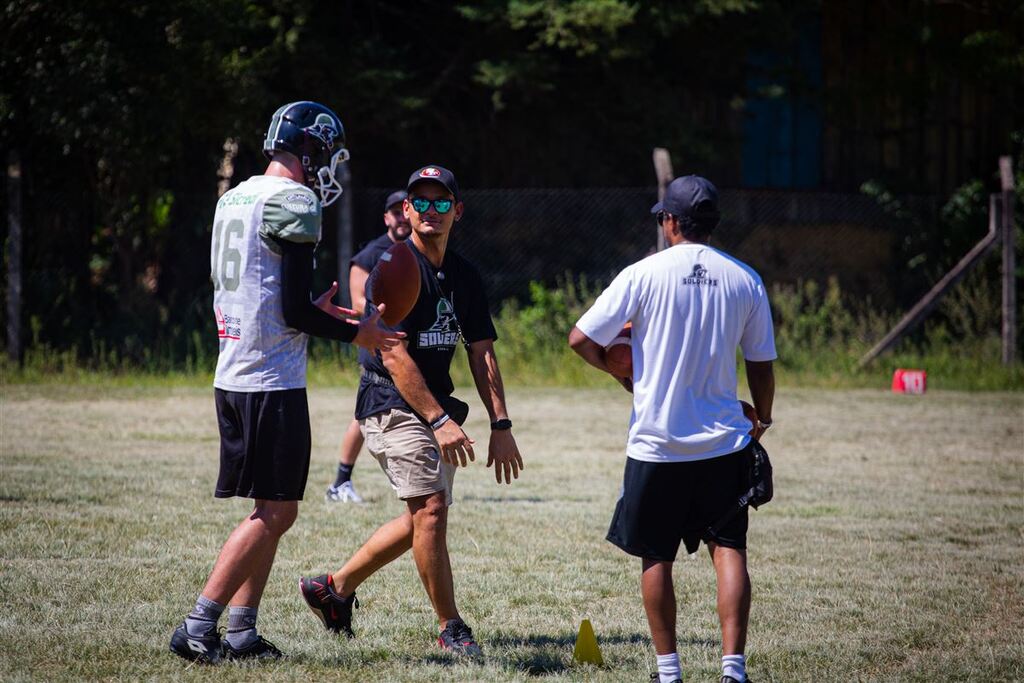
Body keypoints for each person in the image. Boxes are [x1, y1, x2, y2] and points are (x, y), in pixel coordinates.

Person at [169, 101, 403, 664]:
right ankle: (199, 625)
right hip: (269, 375)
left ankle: (243, 632)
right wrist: (360, 334)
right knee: (276, 512)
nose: (329, 169)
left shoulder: (236, 195)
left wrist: (320, 313)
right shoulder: (293, 199)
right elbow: (297, 311)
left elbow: (272, 290)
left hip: (236, 366)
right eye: (327, 155)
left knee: (276, 507)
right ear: (312, 149)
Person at [300, 164, 524, 657]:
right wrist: (441, 421)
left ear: (456, 211)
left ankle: (332, 589)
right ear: (406, 210)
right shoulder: (393, 268)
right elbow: (392, 353)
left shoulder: (464, 275)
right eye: (419, 202)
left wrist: (501, 424)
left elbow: (481, 350)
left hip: (435, 404)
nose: (429, 210)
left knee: (421, 520)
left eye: (441, 202)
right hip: (389, 402)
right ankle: (451, 628)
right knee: (431, 509)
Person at [568, 175, 776, 683]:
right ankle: (733, 669)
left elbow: (580, 339)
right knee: (728, 551)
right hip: (723, 441)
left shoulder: (642, 274)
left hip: (657, 443)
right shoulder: (744, 278)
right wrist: (762, 419)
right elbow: (761, 362)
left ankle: (669, 672)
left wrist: (621, 373)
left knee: (656, 556)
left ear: (670, 222)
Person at [326, 189, 411, 504]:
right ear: (387, 217)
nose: (402, 218)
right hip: (379, 343)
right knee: (365, 416)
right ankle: (340, 482)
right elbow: (360, 303)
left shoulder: (418, 251)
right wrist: (397, 311)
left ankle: (418, 477)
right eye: (395, 212)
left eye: (405, 210)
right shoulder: (371, 254)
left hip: (409, 345)